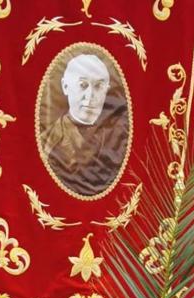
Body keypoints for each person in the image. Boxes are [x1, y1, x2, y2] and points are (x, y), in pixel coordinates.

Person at [40, 52, 128, 196]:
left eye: (98, 86)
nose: (90, 96)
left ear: (106, 90)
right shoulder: (47, 143)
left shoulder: (119, 140)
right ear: (65, 87)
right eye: (83, 85)